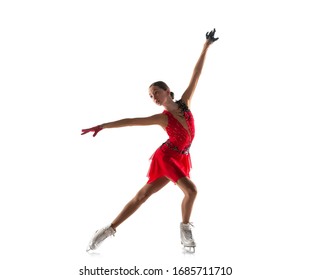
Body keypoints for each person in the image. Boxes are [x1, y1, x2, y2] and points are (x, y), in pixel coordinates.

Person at [81, 29, 218, 253]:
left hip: (181, 157)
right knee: (191, 191)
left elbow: (196, 73)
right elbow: (131, 121)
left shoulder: (185, 103)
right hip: (167, 157)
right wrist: (103, 126)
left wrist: (206, 46)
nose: (153, 97)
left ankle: (106, 230)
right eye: (150, 96)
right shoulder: (161, 118)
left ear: (167, 91)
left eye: (156, 92)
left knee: (143, 195)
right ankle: (185, 229)